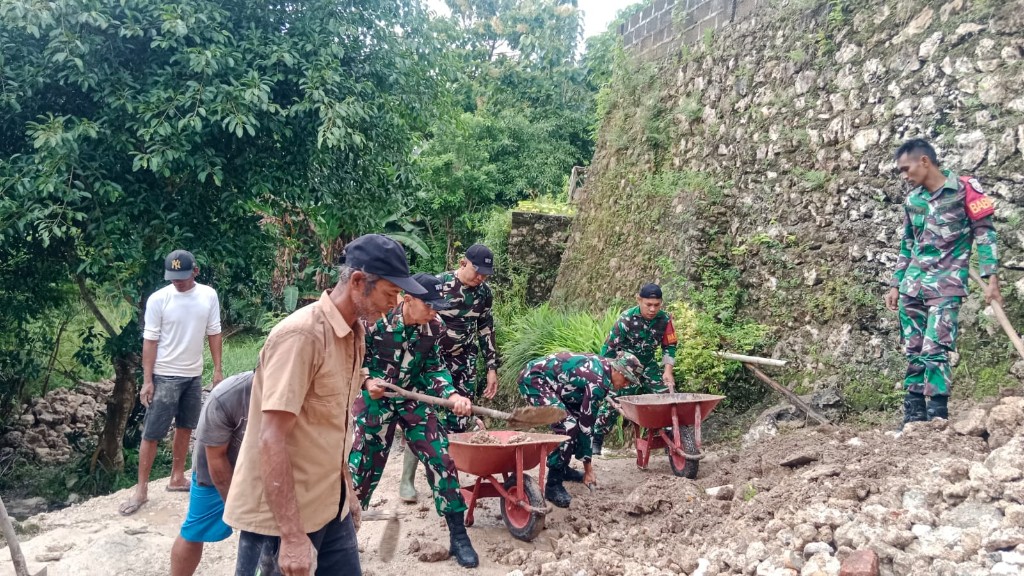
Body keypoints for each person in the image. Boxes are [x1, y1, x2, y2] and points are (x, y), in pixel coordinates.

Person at [223, 234, 425, 576]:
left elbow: (332, 427)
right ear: (359, 282)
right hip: (282, 520)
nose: (393, 305)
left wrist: (348, 494)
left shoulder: (354, 335)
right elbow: (271, 438)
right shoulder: (302, 336)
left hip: (331, 507)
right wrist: (291, 535)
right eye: (390, 294)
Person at [349, 273, 479, 568]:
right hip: (375, 401)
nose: (435, 311)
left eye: (437, 306)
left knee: (442, 458)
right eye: (429, 305)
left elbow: (434, 369)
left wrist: (453, 395)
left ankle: (458, 536)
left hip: (412, 399)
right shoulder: (373, 323)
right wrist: (368, 381)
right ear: (408, 300)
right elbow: (355, 361)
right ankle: (345, 536)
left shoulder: (433, 328)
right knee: (361, 470)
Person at [885, 138, 1002, 425]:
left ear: (924, 161)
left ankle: (937, 414)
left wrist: (992, 279)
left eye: (905, 168)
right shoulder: (913, 200)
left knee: (935, 348)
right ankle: (913, 416)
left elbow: (985, 234)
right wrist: (895, 284)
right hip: (913, 285)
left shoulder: (966, 190)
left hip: (946, 285)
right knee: (912, 349)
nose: (904, 176)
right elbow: (907, 243)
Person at [120, 250, 224, 516]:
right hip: (165, 374)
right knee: (152, 432)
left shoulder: (208, 295)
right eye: (173, 277)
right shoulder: (159, 299)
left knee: (186, 426)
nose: (177, 282)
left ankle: (177, 477)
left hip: (193, 374)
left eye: (183, 277)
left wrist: (218, 370)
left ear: (195, 272)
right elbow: (150, 341)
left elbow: (214, 332)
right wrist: (147, 380)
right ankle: (141, 489)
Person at [400, 244, 499, 502]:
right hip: (431, 357)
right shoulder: (439, 285)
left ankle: (445, 475)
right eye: (478, 271)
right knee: (422, 413)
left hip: (463, 359)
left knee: (459, 413)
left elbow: (485, 328)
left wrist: (491, 367)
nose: (481, 277)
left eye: (486, 274)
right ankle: (407, 480)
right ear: (463, 262)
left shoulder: (484, 294)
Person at [517, 351, 643, 508]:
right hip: (535, 380)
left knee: (574, 422)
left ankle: (563, 468)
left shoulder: (604, 370)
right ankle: (553, 484)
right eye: (626, 379)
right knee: (568, 426)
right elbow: (586, 425)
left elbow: (584, 418)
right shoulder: (598, 382)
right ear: (617, 370)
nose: (626, 385)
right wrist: (588, 468)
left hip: (557, 385)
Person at [170, 370, 254, 576]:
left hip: (262, 470)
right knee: (195, 529)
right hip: (216, 469)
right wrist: (235, 507)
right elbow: (215, 459)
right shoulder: (227, 396)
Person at [592, 283, 678, 456]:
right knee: (614, 401)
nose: (653, 309)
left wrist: (668, 371)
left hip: (648, 365)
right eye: (648, 305)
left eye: (657, 305)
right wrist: (607, 375)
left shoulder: (665, 320)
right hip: (626, 367)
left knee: (669, 397)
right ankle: (596, 440)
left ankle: (672, 438)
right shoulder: (626, 319)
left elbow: (669, 346)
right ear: (639, 300)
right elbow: (608, 349)